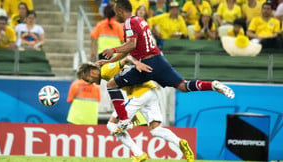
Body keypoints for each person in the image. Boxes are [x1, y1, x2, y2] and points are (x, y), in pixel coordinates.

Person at [96, 0, 234, 137]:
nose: (115, 16)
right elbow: (128, 50)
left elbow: (131, 45)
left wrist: (112, 49)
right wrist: (110, 61)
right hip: (158, 59)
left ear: (120, 10)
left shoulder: (128, 23)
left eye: (116, 13)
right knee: (183, 86)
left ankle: (124, 120)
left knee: (111, 84)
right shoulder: (139, 20)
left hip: (145, 65)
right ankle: (213, 85)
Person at [78, 58, 195, 162]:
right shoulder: (108, 74)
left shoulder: (105, 69)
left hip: (139, 95)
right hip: (151, 93)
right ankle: (179, 142)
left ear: (91, 71)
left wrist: (136, 63)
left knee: (111, 125)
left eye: (87, 79)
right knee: (155, 129)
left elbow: (126, 59)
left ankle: (139, 154)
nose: (90, 82)